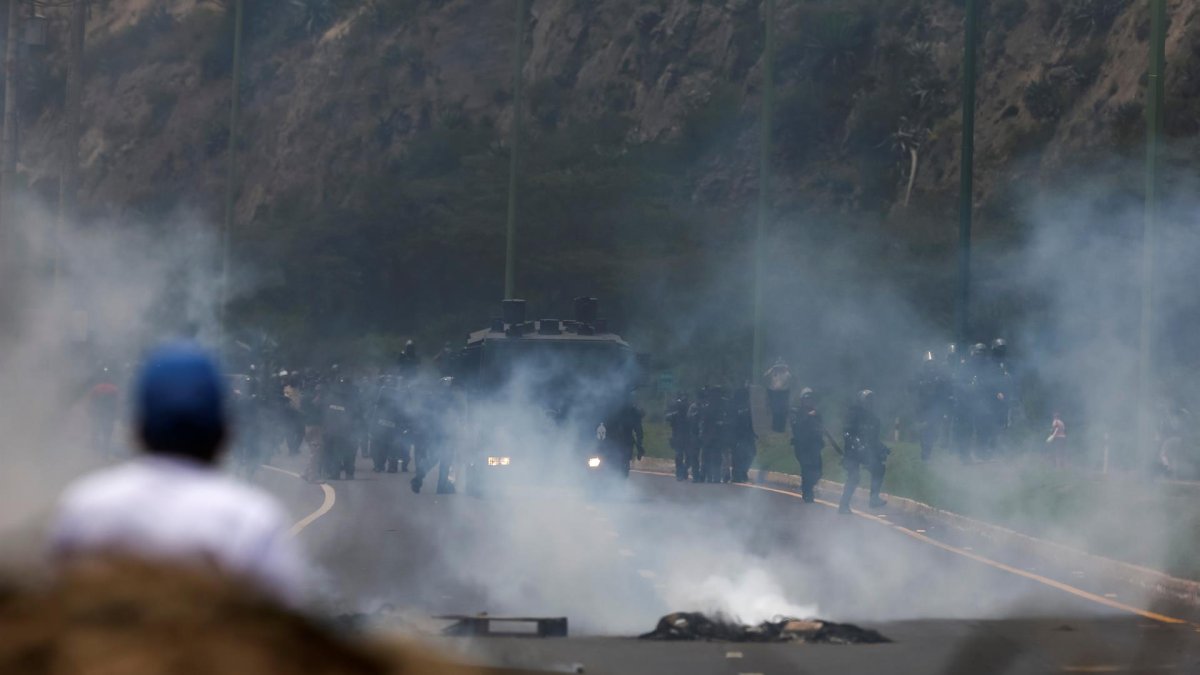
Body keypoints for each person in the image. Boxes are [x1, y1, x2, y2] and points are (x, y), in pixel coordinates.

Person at [49, 342, 307, 606]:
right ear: (224, 433)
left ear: (137, 429)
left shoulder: (85, 506)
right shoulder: (252, 520)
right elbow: (281, 621)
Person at [839, 390, 889, 514]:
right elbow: (847, 433)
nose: (869, 403)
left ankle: (873, 498)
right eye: (867, 400)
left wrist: (882, 448)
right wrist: (857, 444)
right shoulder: (853, 415)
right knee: (854, 477)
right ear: (861, 401)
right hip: (852, 452)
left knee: (879, 468)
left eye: (871, 401)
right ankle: (843, 505)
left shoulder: (874, 419)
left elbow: (874, 439)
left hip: (866, 452)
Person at [912, 351, 948, 461]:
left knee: (934, 431)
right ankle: (925, 452)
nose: (930, 365)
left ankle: (929, 450)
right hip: (923, 407)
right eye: (928, 363)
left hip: (935, 406)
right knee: (925, 430)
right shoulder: (920, 375)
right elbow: (911, 387)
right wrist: (922, 384)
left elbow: (944, 389)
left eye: (932, 363)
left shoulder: (938, 375)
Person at [790, 388, 824, 503]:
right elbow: (796, 425)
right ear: (802, 400)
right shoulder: (796, 412)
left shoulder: (816, 413)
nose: (809, 401)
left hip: (814, 446)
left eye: (810, 399)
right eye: (806, 399)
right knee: (807, 469)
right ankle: (807, 493)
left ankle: (809, 488)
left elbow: (820, 428)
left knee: (818, 471)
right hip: (802, 447)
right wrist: (808, 416)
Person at [87, 368, 120, 459]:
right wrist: (116, 414)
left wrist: (91, 411)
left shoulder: (96, 389)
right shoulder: (114, 389)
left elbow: (91, 401)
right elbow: (116, 403)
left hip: (98, 413)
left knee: (96, 430)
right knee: (107, 433)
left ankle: (94, 449)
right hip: (109, 414)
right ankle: (105, 453)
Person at [730, 386, 756, 483]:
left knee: (751, 454)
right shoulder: (734, 407)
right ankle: (737, 475)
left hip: (748, 436)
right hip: (738, 436)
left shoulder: (750, 407)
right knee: (737, 456)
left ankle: (743, 472)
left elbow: (753, 422)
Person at [665, 393, 693, 481]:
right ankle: (679, 472)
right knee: (679, 455)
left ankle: (684, 470)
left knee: (690, 456)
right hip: (677, 436)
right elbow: (667, 417)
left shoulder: (690, 411)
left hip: (688, 436)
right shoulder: (675, 413)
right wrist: (674, 414)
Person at [763, 358, 792, 433]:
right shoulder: (773, 373)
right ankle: (775, 428)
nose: (779, 368)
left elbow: (789, 379)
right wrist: (772, 369)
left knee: (783, 411)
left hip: (783, 393)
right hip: (774, 393)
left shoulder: (786, 373)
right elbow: (765, 376)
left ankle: (781, 428)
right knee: (775, 411)